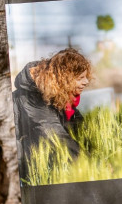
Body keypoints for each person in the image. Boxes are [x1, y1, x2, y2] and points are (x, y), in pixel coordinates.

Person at [13, 48, 92, 181]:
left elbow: (77, 125)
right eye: (80, 78)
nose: (86, 82)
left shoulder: (58, 95)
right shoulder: (31, 98)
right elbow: (56, 136)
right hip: (24, 170)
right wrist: (93, 165)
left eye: (86, 77)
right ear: (64, 79)